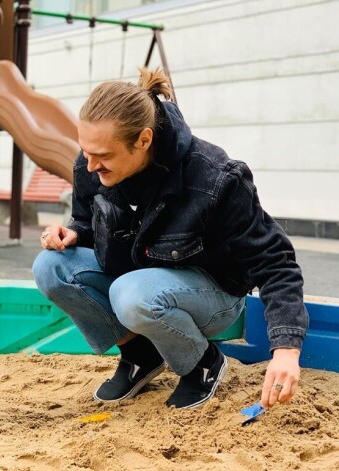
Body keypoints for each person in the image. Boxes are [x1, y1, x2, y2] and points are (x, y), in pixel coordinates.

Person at [32, 68, 308, 410]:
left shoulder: (215, 176)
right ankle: (140, 355)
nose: (89, 166)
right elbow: (87, 219)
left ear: (144, 140)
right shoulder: (92, 161)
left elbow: (276, 262)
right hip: (141, 284)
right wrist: (74, 232)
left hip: (213, 294)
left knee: (130, 294)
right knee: (51, 267)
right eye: (85, 152)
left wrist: (286, 350)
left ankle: (202, 364)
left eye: (102, 156)